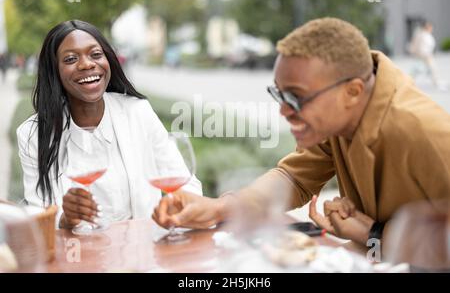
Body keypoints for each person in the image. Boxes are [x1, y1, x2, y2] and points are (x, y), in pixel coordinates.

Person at [152, 18, 450, 251]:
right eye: (278, 95)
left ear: (352, 92)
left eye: (295, 98)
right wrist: (218, 208)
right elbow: (293, 178)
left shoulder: (424, 133)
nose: (283, 111)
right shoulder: (341, 118)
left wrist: (374, 235)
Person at [17, 20, 202, 230]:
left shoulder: (137, 112)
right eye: (70, 59)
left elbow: (187, 185)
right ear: (54, 71)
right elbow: (38, 213)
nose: (87, 64)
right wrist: (65, 219)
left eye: (95, 54)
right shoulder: (33, 134)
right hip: (77, 258)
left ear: (108, 60)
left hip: (142, 252)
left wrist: (178, 211)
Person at [409, 21, 447, 90]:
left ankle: (436, 82)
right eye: (430, 27)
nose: (431, 28)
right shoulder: (421, 35)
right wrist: (422, 54)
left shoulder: (426, 35)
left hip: (426, 55)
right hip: (424, 55)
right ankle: (436, 82)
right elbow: (418, 46)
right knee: (429, 68)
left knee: (424, 69)